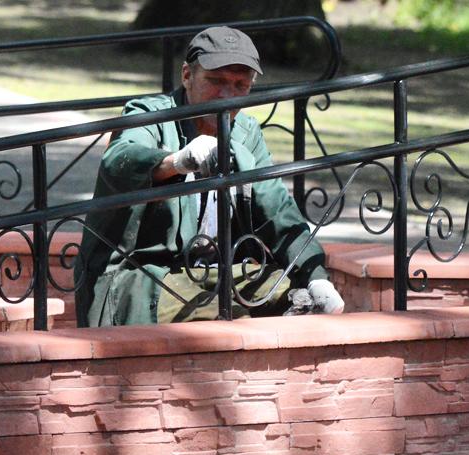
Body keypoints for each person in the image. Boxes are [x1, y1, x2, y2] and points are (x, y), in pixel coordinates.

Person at [74, 26, 344, 327]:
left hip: (215, 273)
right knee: (229, 316)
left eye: (240, 85)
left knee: (297, 298)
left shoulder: (245, 133)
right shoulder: (151, 115)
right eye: (215, 81)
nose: (227, 95)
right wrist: (178, 161)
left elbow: (278, 211)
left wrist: (316, 277)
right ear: (187, 75)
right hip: (141, 278)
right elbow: (119, 160)